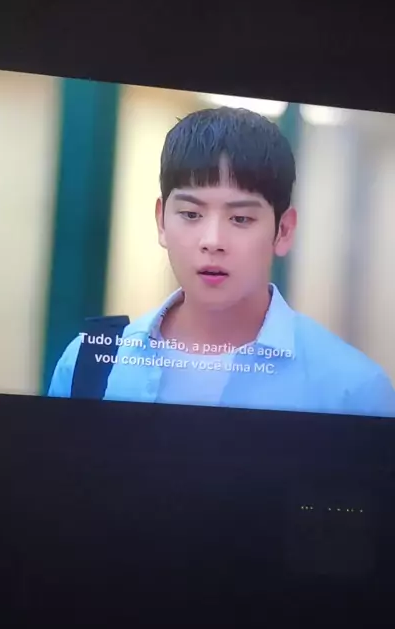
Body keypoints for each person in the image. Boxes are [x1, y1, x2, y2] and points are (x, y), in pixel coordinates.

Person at [48, 107, 395, 417]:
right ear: (161, 222)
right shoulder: (88, 363)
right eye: (191, 214)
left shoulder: (353, 390)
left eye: (240, 218)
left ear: (284, 230)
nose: (212, 241)